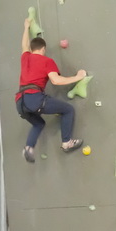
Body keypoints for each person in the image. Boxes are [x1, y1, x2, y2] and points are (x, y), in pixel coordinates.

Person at [16, 18, 85, 163]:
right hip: (34, 99)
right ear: (43, 49)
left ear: (32, 48)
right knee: (68, 110)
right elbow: (56, 80)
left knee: (38, 124)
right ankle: (66, 142)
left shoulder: (25, 58)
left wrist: (26, 27)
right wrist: (77, 77)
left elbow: (24, 46)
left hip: (20, 102)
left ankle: (29, 148)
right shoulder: (47, 61)